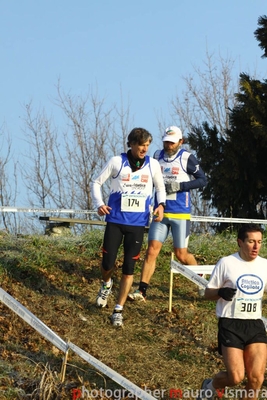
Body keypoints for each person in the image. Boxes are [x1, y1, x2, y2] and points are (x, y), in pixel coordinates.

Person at [91, 127, 166, 327]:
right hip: (115, 220)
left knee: (129, 267)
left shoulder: (153, 165)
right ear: (131, 144)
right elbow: (96, 183)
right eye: (141, 145)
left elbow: (160, 187)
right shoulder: (117, 162)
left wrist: (161, 205)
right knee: (107, 263)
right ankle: (107, 284)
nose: (144, 149)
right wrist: (99, 204)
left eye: (148, 145)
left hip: (137, 223)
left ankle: (118, 309)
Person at [128, 125, 207, 301]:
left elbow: (203, 180)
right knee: (151, 251)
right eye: (166, 142)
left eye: (172, 142)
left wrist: (181, 186)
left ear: (181, 141)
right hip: (160, 212)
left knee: (181, 254)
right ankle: (142, 291)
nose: (168, 145)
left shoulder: (186, 158)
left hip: (180, 213)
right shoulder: (156, 156)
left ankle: (202, 282)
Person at [197, 224, 267, 400]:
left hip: (255, 324)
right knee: (236, 377)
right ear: (240, 242)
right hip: (230, 323)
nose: (256, 246)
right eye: (251, 241)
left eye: (259, 242)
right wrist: (220, 292)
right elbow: (207, 293)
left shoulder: (265, 265)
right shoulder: (227, 263)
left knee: (256, 378)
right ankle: (210, 386)